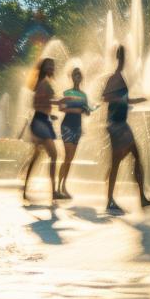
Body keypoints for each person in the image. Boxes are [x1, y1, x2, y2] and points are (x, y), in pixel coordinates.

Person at [101, 45, 150, 216]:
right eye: (122, 56)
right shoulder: (114, 78)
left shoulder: (120, 78)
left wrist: (141, 99)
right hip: (115, 125)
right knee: (118, 161)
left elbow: (125, 100)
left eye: (125, 56)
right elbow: (105, 97)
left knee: (134, 156)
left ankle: (141, 197)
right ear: (118, 57)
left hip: (121, 124)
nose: (124, 59)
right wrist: (118, 98)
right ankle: (110, 199)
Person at [23, 57, 60, 204]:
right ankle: (53, 192)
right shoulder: (44, 83)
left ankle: (25, 188)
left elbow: (38, 103)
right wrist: (62, 102)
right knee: (54, 155)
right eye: (49, 65)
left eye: (53, 65)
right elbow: (40, 103)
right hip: (41, 122)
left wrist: (49, 114)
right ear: (44, 68)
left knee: (36, 157)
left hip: (42, 120)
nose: (52, 67)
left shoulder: (43, 82)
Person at [56, 67, 92, 200]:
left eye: (79, 74)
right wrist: (76, 109)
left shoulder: (84, 95)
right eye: (75, 74)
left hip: (77, 126)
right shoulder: (67, 93)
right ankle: (58, 187)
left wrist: (86, 110)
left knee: (70, 159)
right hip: (67, 125)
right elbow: (61, 108)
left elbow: (87, 112)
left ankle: (63, 187)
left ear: (81, 77)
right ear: (72, 77)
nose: (78, 76)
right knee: (67, 156)